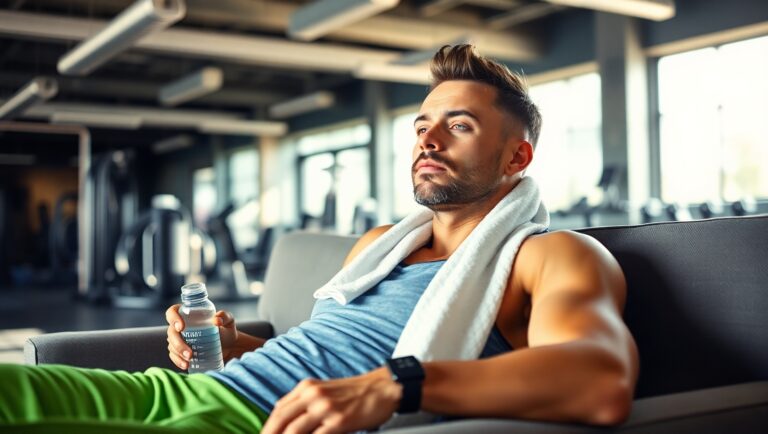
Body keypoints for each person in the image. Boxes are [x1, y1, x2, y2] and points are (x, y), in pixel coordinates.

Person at [0, 45, 638, 434]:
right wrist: (235, 343)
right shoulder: (381, 242)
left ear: (515, 156)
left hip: (253, 424)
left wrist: (398, 384)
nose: (428, 139)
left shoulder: (549, 255)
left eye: (460, 125)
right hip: (179, 390)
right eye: (422, 125)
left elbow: (601, 379)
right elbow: (323, 353)